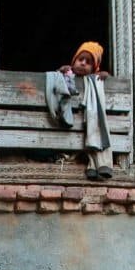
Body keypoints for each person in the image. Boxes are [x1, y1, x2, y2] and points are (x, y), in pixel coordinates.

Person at [56, 42, 113, 181]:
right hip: (68, 126)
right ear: (73, 61)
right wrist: (60, 71)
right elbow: (55, 83)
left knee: (95, 131)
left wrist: (106, 77)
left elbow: (108, 83)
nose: (83, 63)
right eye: (80, 59)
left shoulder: (95, 81)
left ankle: (95, 165)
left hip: (89, 122)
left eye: (88, 62)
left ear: (94, 67)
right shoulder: (67, 75)